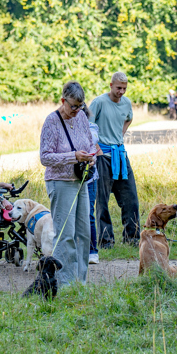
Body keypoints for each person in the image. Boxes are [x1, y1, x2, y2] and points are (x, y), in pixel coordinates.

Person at [40, 81, 99, 286]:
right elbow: (45, 157)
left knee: (83, 233)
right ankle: (64, 283)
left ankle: (80, 282)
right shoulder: (51, 121)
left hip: (82, 180)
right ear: (63, 100)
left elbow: (90, 143)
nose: (76, 111)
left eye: (80, 106)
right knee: (66, 235)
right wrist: (73, 156)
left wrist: (91, 157)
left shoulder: (81, 116)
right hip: (60, 182)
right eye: (73, 106)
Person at [90, 72, 140, 248]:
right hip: (103, 155)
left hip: (120, 153)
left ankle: (132, 238)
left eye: (125, 88)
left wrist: (120, 134)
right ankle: (106, 240)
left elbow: (129, 118)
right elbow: (88, 126)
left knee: (131, 198)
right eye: (119, 88)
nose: (121, 92)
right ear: (111, 85)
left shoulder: (126, 103)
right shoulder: (99, 102)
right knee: (102, 201)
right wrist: (96, 149)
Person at [83, 103, 100, 264]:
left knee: (89, 214)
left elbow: (93, 138)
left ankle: (92, 250)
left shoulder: (92, 127)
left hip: (89, 178)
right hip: (70, 178)